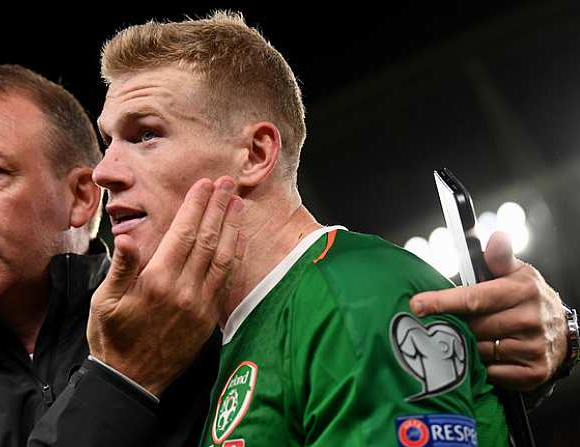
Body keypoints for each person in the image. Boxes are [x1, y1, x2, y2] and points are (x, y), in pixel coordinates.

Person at [0, 39, 575, 447]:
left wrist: (549, 336)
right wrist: (118, 384)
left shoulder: (211, 315)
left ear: (81, 198)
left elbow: (401, 367)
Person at [84, 11, 577, 446]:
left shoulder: (354, 296)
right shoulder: (232, 337)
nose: (105, 171)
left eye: (145, 134)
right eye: (109, 142)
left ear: (255, 155)